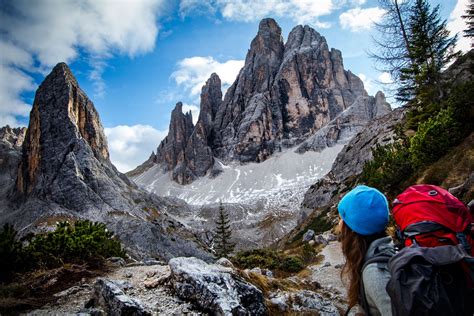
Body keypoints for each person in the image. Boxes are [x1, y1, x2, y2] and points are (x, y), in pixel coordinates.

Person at [337, 185, 394, 316]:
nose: (339, 225)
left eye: (342, 219)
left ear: (353, 228)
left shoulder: (375, 274)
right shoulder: (387, 250)